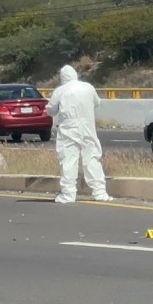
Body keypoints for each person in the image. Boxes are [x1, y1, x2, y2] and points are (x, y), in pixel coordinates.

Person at [45, 64, 111, 203]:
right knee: (92, 157)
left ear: (62, 78)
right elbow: (97, 102)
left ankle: (68, 194)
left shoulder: (60, 91)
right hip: (87, 126)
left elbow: (51, 111)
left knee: (68, 160)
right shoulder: (88, 87)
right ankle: (100, 192)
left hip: (69, 127)